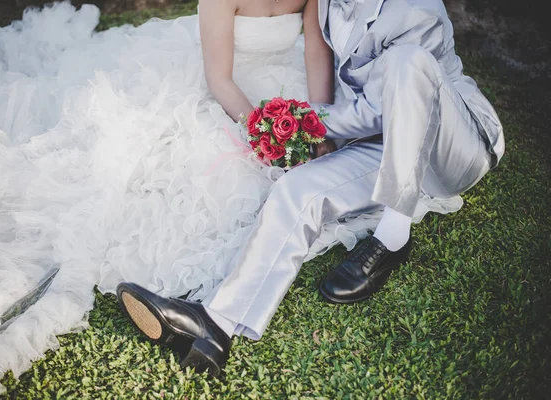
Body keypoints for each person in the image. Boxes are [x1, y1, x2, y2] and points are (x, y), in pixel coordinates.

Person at [0, 0, 459, 397]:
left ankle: (213, 319)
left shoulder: (316, 2)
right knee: (189, 172)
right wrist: (262, 133)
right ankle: (211, 316)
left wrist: (314, 130)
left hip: (292, 90)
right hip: (235, 93)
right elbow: (220, 78)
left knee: (295, 180)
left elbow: (315, 65)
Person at [116, 0, 504, 377]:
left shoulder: (418, 7)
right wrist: (304, 136)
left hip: (453, 147)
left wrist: (298, 123)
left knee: (409, 61)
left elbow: (390, 104)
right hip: (382, 143)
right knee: (296, 187)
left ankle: (393, 236)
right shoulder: (326, 2)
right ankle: (216, 322)